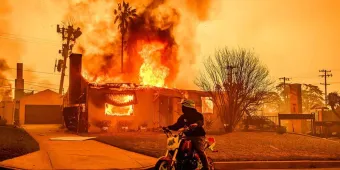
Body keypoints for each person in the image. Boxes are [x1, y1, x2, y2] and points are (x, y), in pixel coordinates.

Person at [165, 99, 210, 170]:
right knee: (180, 149)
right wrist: (168, 127)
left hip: (198, 136)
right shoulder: (183, 117)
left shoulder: (198, 115)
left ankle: (206, 167)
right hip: (187, 136)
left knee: (200, 151)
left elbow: (201, 122)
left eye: (183, 106)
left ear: (188, 107)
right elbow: (177, 125)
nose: (182, 107)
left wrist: (196, 124)